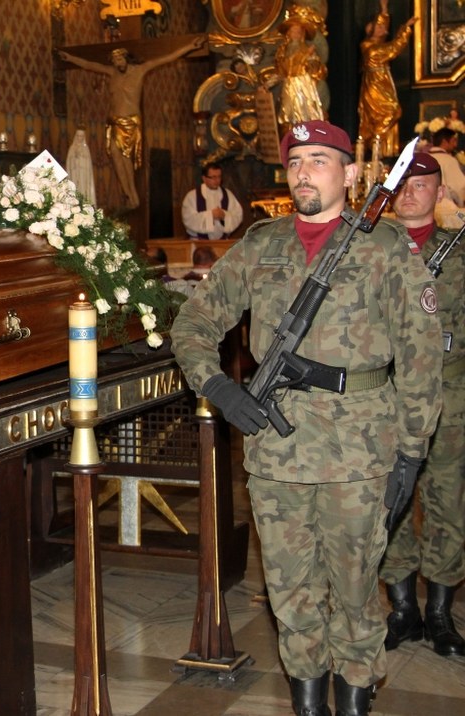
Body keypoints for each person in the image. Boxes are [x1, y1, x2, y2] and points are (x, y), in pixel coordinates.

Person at [170, 120, 443, 716]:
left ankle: (355, 703)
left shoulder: (386, 248)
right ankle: (309, 706)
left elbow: (421, 354)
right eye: (295, 161)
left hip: (360, 451)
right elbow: (193, 322)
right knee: (290, 595)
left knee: (355, 592)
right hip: (277, 451)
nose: (303, 172)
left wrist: (413, 449)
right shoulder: (260, 244)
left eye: (319, 160)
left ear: (350, 173)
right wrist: (219, 387)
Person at [381, 151, 465, 659]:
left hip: (449, 396)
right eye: (403, 185)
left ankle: (439, 614)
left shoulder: (459, 250)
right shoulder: (372, 247)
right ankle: (402, 610)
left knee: (447, 503)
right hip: (387, 396)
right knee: (391, 499)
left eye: (421, 184)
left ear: (439, 192)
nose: (410, 192)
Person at [59, 36, 204, 211]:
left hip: (130, 122)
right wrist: (70, 58)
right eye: (115, 61)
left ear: (126, 58)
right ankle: (127, 193)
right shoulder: (111, 72)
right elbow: (90, 65)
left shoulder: (140, 70)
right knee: (115, 155)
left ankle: (133, 196)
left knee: (126, 157)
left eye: (120, 59)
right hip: (114, 121)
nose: (118, 63)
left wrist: (190, 46)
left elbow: (167, 58)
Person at [358, 0, 418, 158]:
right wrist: (405, 29)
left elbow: (385, 34)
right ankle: (375, 140)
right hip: (375, 84)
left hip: (382, 80)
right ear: (370, 29)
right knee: (391, 111)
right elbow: (393, 48)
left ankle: (385, 148)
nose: (383, 29)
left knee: (387, 113)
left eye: (383, 27)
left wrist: (384, 9)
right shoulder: (370, 47)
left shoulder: (376, 44)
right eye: (379, 26)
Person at [274, 7, 327, 130]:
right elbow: (280, 73)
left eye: (298, 32)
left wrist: (310, 58)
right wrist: (266, 85)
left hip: (303, 83)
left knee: (304, 112)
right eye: (293, 31)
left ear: (302, 34)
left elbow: (315, 68)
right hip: (288, 84)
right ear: (288, 33)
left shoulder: (307, 50)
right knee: (287, 114)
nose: (295, 34)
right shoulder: (282, 51)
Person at [181, 162, 244, 239]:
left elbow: (238, 215)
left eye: (219, 177)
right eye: (213, 177)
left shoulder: (228, 194)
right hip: (199, 241)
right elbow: (188, 219)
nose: (217, 180)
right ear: (204, 178)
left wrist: (224, 215)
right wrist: (211, 215)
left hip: (222, 242)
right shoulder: (192, 196)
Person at [425, 127, 465, 229]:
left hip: (425, 209)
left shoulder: (424, 159)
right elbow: (459, 188)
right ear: (444, 142)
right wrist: (461, 204)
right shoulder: (449, 160)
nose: (455, 145)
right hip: (446, 211)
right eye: (453, 141)